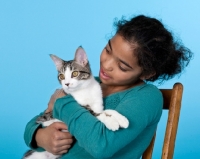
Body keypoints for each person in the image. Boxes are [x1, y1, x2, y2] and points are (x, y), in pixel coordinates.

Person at [24, 15, 193, 159]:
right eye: (107, 50)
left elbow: (101, 145)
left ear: (146, 74)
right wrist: (41, 136)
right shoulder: (88, 82)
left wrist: (61, 103)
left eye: (123, 66)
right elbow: (31, 127)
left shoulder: (147, 97)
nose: (107, 64)